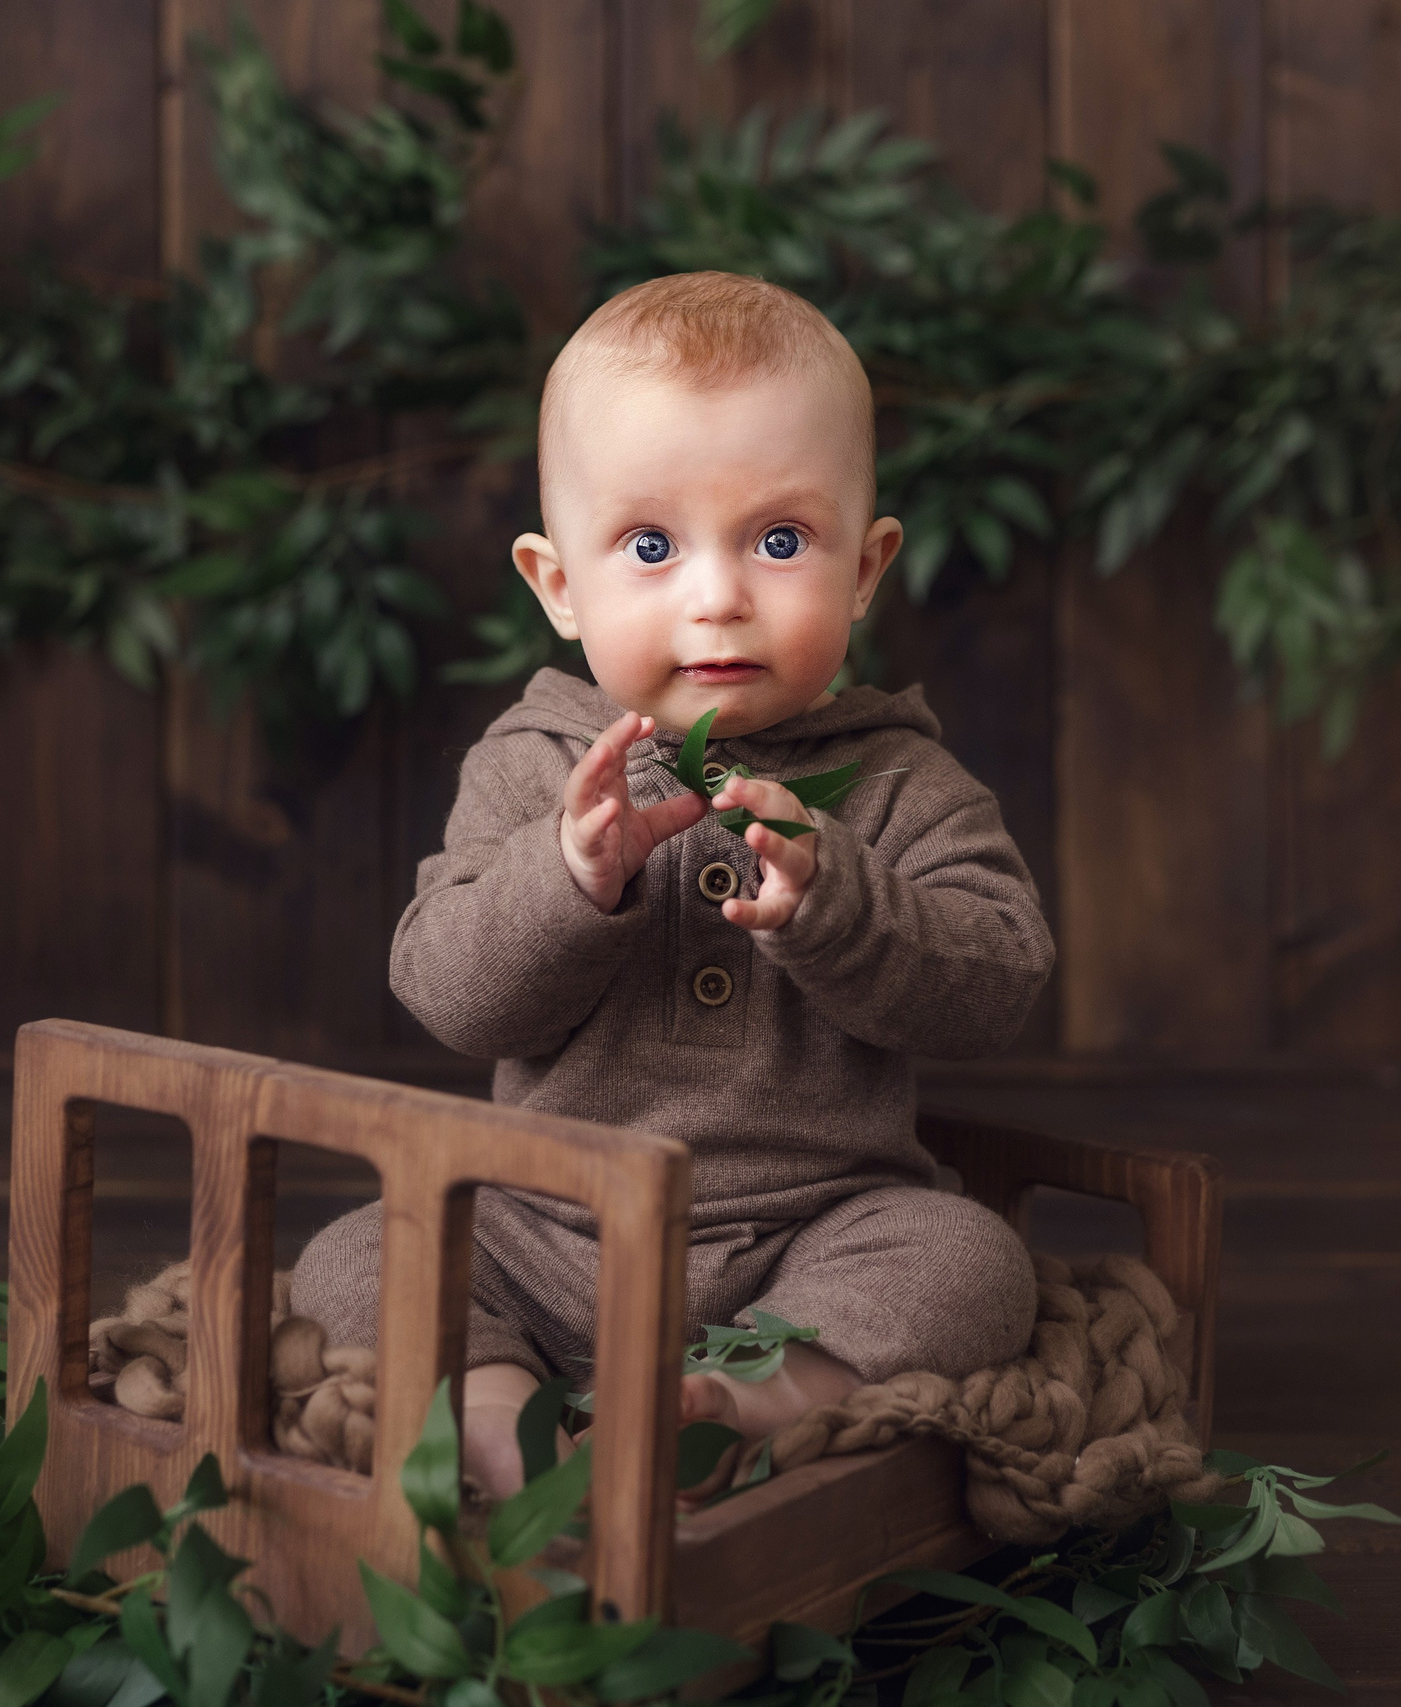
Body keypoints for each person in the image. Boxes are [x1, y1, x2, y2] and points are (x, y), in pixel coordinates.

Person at [291, 271, 1056, 1496]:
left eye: (780, 540)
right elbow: (448, 994)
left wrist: (835, 901)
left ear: (864, 572)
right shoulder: (535, 765)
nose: (717, 594)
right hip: (543, 1228)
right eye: (650, 546)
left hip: (811, 1233)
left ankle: (742, 1402)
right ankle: (507, 1430)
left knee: (968, 1261)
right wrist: (566, 876)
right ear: (556, 585)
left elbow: (999, 981)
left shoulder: (905, 781)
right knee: (359, 1255)